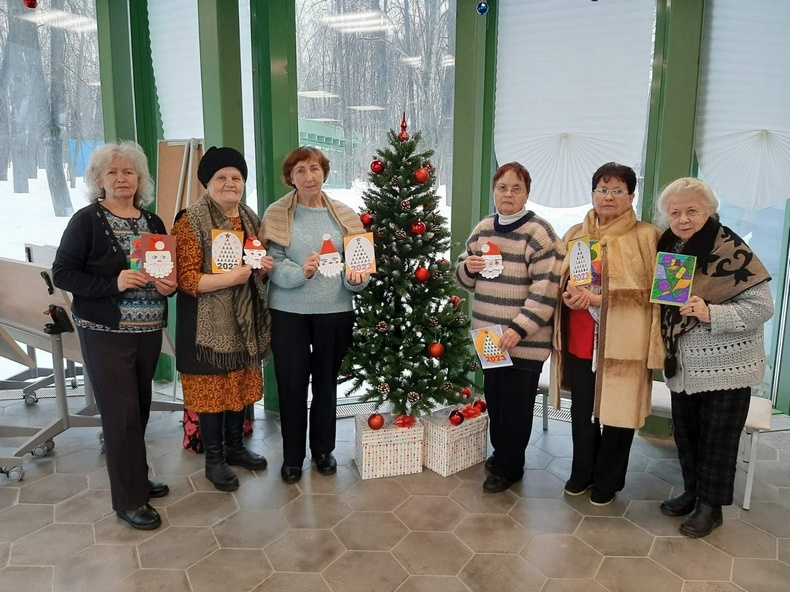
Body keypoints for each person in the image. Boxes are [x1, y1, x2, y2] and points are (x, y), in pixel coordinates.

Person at [52, 141, 175, 530]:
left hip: (148, 330)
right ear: (99, 180)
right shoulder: (87, 220)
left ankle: (135, 476)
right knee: (119, 416)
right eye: (113, 172)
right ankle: (129, 500)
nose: (122, 178)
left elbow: (165, 271)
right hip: (105, 331)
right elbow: (64, 273)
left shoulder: (153, 222)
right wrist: (114, 281)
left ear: (140, 179)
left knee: (137, 410)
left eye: (129, 172)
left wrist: (169, 285)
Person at [656, 177, 772, 537]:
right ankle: (692, 493)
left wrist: (711, 313)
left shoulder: (730, 249)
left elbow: (763, 307)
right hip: (684, 366)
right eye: (675, 212)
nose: (684, 219)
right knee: (687, 435)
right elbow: (666, 303)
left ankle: (712, 507)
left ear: (710, 211)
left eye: (693, 211)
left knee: (718, 441)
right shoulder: (670, 247)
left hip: (726, 366)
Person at [550, 162, 664, 506]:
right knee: (582, 411)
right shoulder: (574, 235)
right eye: (602, 189)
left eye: (617, 190)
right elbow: (560, 280)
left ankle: (608, 480)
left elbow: (659, 290)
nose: (608, 197)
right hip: (581, 340)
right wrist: (567, 294)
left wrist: (604, 297)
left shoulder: (646, 236)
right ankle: (581, 471)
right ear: (593, 193)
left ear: (631, 196)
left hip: (624, 342)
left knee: (619, 413)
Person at [259, 146, 367, 484]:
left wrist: (355, 278)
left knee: (325, 384)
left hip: (334, 311)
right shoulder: (277, 213)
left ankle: (323, 450)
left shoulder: (345, 215)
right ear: (290, 177)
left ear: (324, 173)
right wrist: (298, 272)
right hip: (288, 311)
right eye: (301, 171)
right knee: (291, 384)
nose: (309, 176)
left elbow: (360, 262)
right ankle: (293, 457)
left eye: (315, 169)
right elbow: (271, 260)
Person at [456, 161, 564, 493]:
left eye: (516, 188)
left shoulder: (539, 233)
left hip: (523, 340)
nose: (508, 194)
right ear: (494, 191)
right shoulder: (484, 228)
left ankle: (510, 466)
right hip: (488, 336)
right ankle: (502, 455)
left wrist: (519, 328)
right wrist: (468, 268)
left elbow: (547, 288)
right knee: (497, 399)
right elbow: (462, 277)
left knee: (517, 406)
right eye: (502, 187)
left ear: (527, 194)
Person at [172, 146, 272, 492]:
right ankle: (214, 460)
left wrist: (263, 269)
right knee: (213, 391)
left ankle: (235, 448)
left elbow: (255, 261)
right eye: (221, 177)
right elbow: (186, 280)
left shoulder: (249, 217)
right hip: (207, 326)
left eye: (236, 177)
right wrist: (232, 278)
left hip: (242, 321)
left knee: (238, 385)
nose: (230, 183)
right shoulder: (191, 220)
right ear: (207, 182)